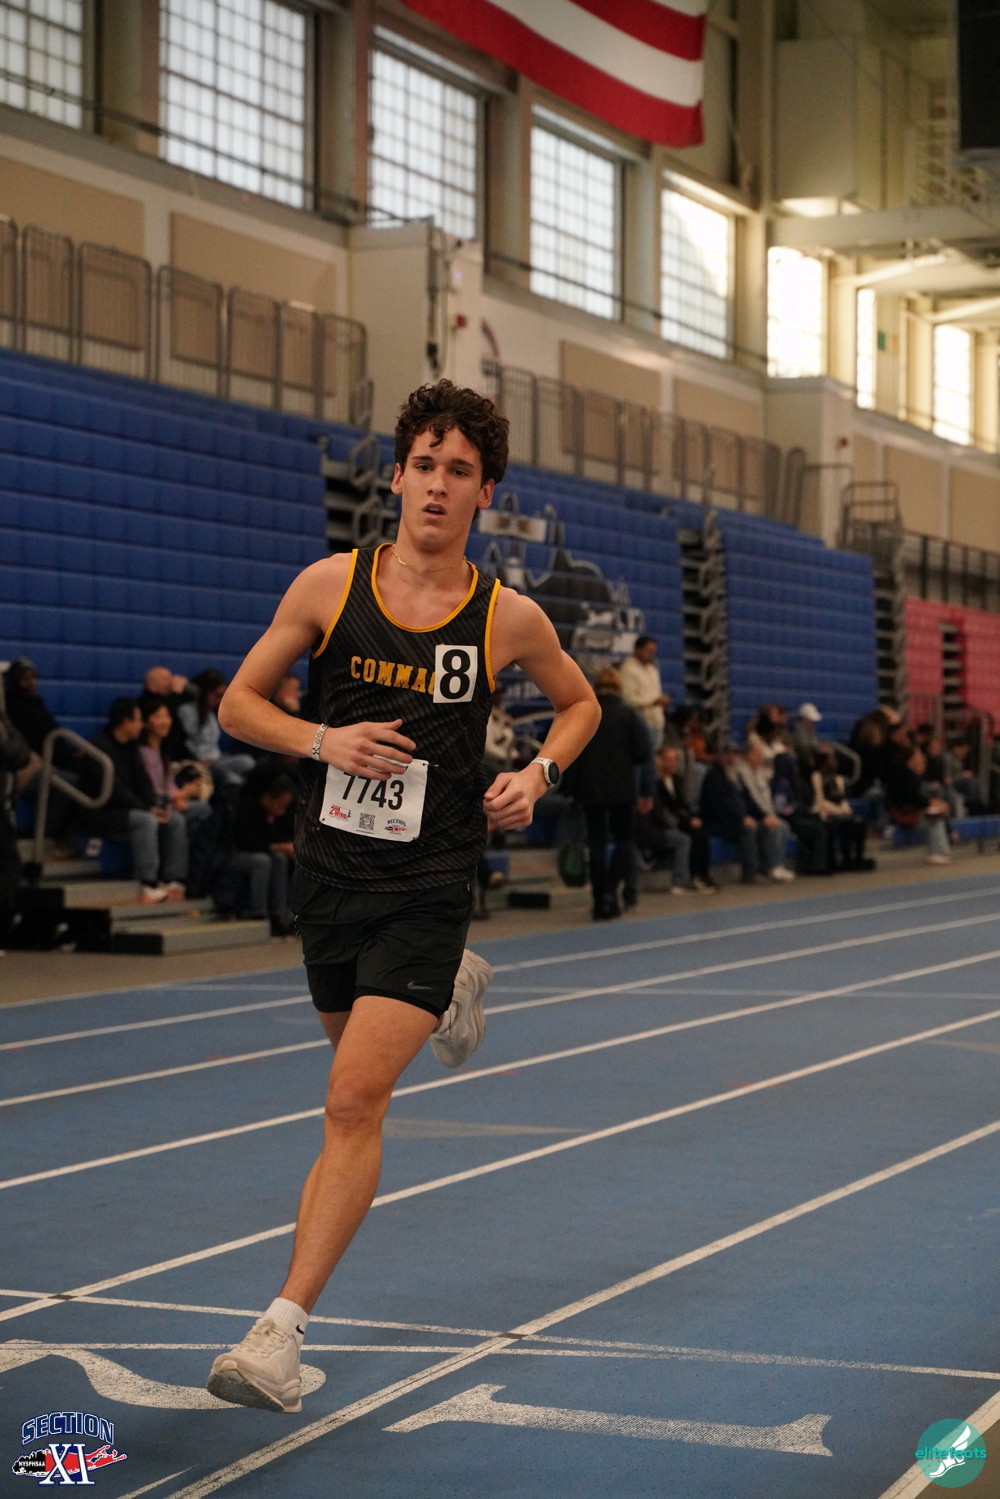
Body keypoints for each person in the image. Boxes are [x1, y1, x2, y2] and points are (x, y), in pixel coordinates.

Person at [204, 379, 600, 1414]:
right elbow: (238, 704)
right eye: (423, 463)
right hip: (330, 876)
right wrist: (322, 738)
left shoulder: (505, 615)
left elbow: (580, 705)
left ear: (485, 492)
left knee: (351, 1098)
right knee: (354, 1080)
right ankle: (452, 985)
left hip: (429, 881)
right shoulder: (329, 587)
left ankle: (280, 1332)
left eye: (458, 470)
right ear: (395, 476)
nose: (436, 484)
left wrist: (538, 774)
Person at [77, 698, 189, 902]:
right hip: (101, 812)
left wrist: (156, 805)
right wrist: (146, 809)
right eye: (138, 720)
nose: (141, 725)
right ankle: (147, 883)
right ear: (125, 722)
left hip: (129, 808)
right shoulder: (99, 749)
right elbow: (116, 791)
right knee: (145, 820)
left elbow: (143, 782)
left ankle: (173, 879)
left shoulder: (131, 747)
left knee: (175, 820)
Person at [563, 665, 652, 919]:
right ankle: (613, 888)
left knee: (596, 843)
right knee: (625, 841)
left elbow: (572, 751)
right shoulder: (629, 714)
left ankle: (598, 897)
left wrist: (570, 790)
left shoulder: (586, 713)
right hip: (622, 788)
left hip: (590, 789)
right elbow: (643, 753)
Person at [637, 743, 717, 893]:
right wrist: (682, 821)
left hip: (678, 820)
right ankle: (685, 879)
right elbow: (661, 813)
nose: (673, 763)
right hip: (662, 825)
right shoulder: (655, 784)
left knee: (701, 831)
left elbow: (683, 804)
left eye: (675, 760)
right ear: (660, 762)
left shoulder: (677, 780)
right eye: (669, 760)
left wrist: (692, 817)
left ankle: (701, 875)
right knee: (687, 837)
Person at [177, 669, 256, 790]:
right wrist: (195, 761)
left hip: (218, 760)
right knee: (232, 778)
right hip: (201, 763)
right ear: (205, 692)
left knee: (247, 761)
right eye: (217, 695)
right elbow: (183, 741)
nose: (219, 700)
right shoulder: (186, 711)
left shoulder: (210, 713)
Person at [619, 635, 669, 750]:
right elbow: (628, 699)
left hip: (657, 724)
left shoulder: (653, 670)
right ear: (638, 650)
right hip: (640, 724)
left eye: (653, 651)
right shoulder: (628, 669)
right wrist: (654, 702)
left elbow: (656, 694)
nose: (652, 654)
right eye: (649, 651)